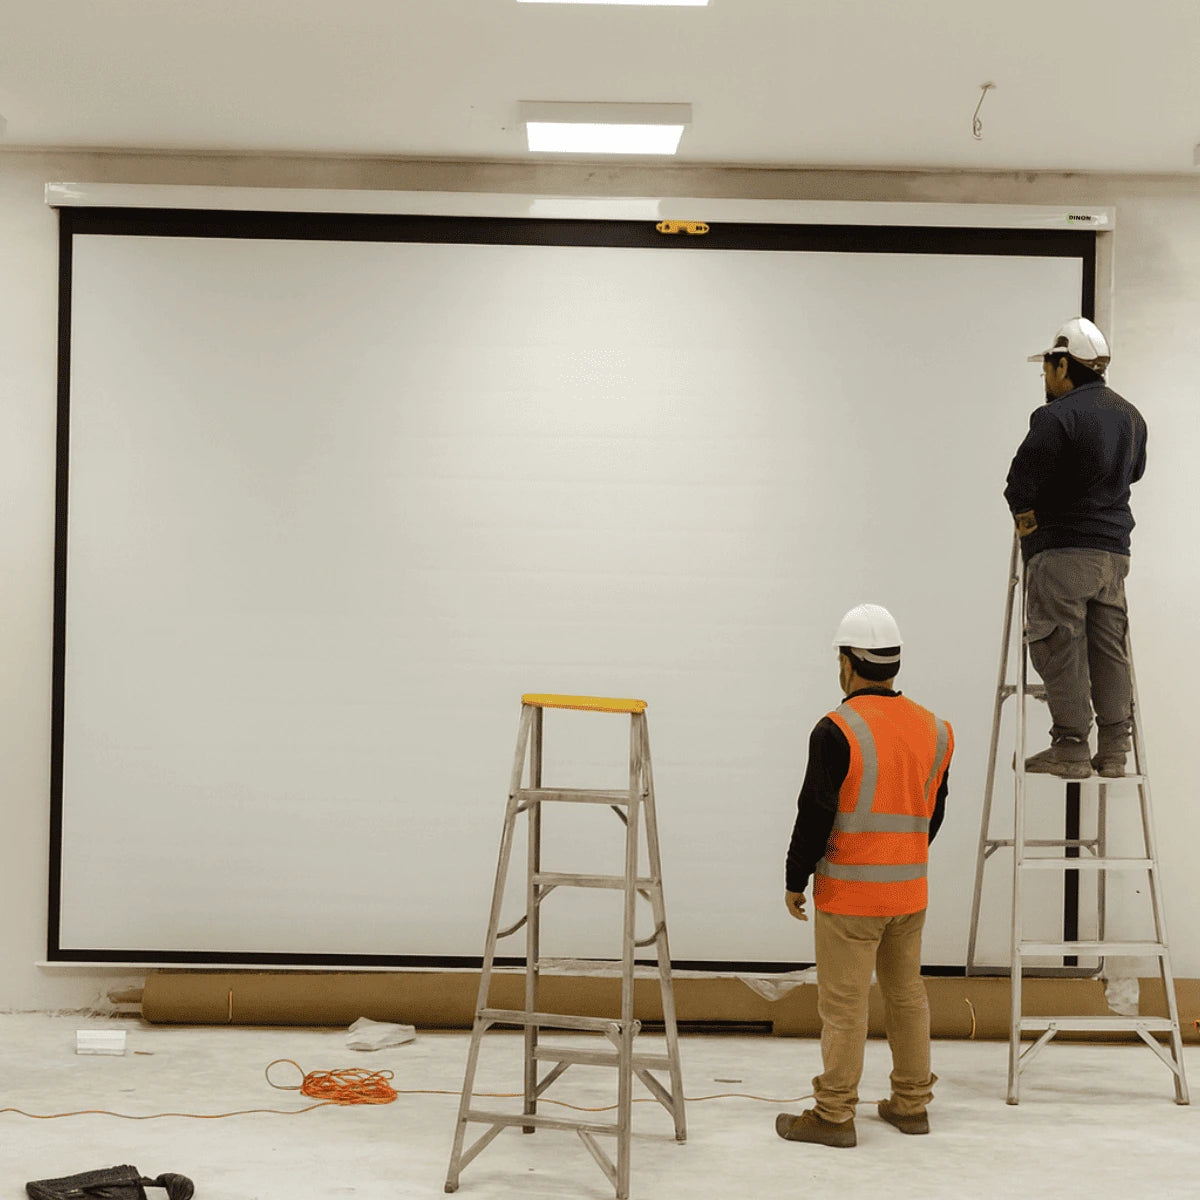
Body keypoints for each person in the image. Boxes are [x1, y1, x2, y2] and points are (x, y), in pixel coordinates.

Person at [777, 604, 953, 1149]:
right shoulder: (935, 729)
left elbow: (815, 810)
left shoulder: (836, 728)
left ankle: (833, 1116)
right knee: (907, 997)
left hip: (851, 895)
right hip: (909, 891)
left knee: (845, 1006)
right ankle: (911, 1105)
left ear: (848, 663)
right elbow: (933, 813)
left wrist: (795, 876)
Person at [1004, 318, 1147, 779]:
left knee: (1058, 642)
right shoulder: (1131, 416)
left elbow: (1019, 487)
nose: (1045, 378)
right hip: (1113, 557)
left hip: (1063, 551)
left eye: (1047, 367)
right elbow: (1135, 473)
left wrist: (1031, 539)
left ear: (1063, 363)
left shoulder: (1055, 417)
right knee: (1108, 648)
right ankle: (1114, 751)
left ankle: (1069, 747)